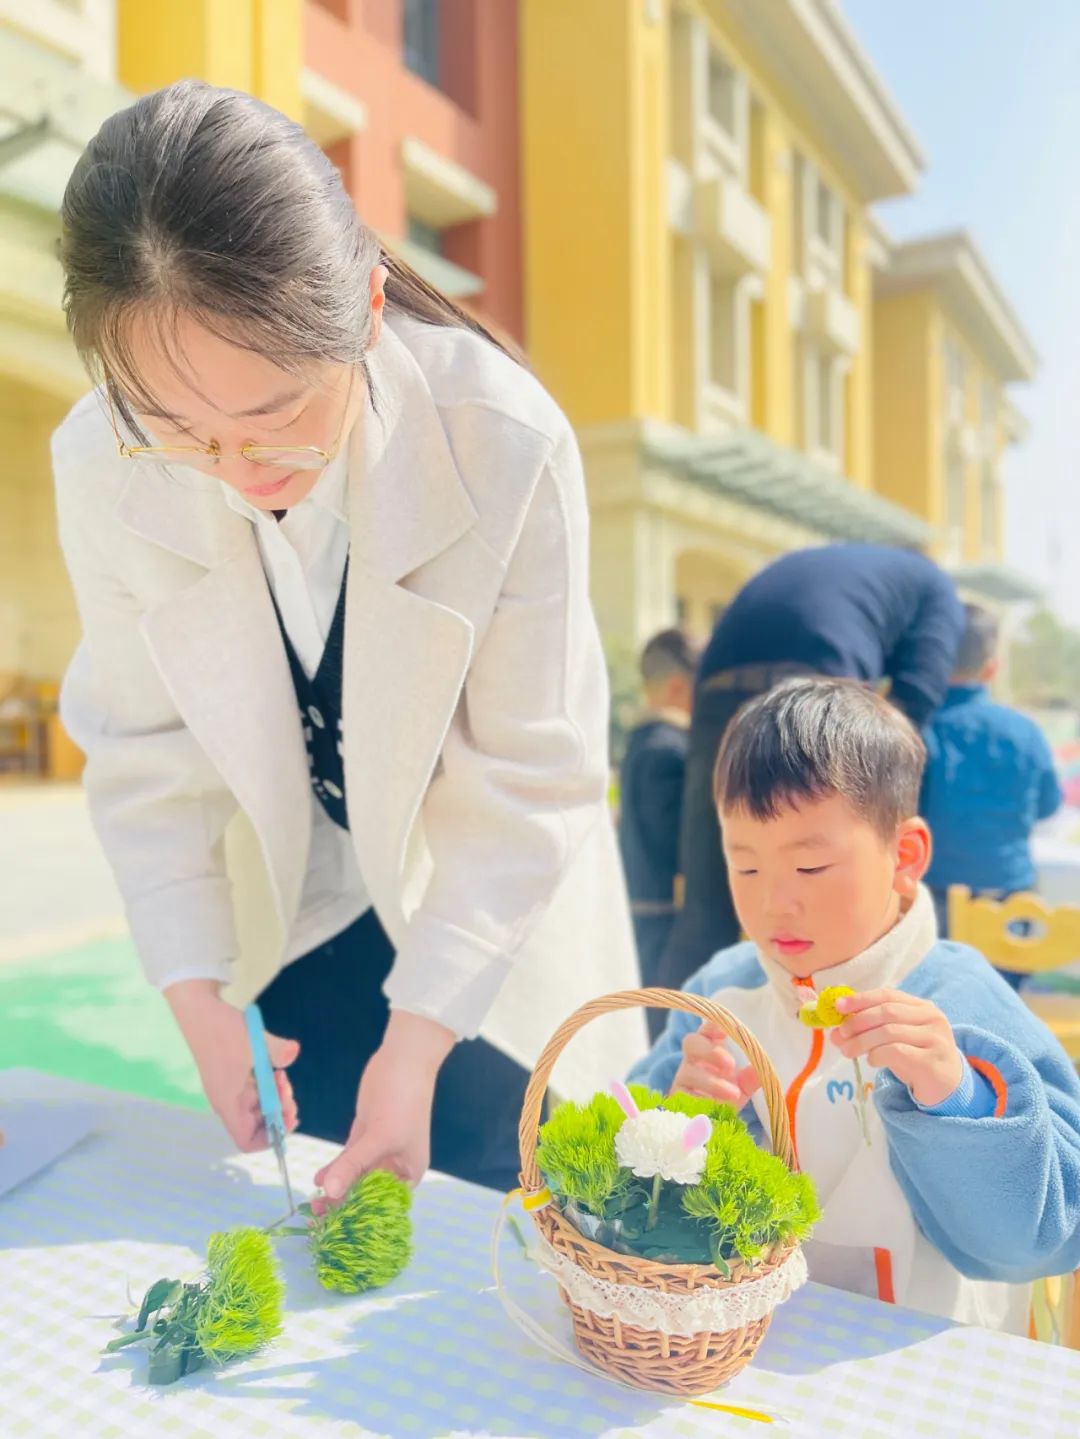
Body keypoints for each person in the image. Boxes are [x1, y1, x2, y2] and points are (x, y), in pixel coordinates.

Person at [52, 80, 643, 1202]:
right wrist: (199, 999)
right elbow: (146, 757)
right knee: (314, 1221)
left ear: (367, 309)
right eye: (177, 430)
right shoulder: (98, 458)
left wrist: (416, 1045)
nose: (237, 469)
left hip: (482, 913)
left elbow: (529, 776)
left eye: (276, 413)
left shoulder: (502, 438)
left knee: (500, 1225)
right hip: (299, 910)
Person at [632, 678, 1080, 1331]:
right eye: (746, 866)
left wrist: (958, 1099)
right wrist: (680, 1125)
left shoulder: (963, 1002)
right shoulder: (723, 996)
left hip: (926, 1359)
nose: (773, 902)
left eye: (810, 868)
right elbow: (628, 1198)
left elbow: (1044, 1239)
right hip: (749, 1346)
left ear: (904, 856)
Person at [660, 544, 965, 990]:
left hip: (715, 687)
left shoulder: (850, 566)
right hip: (814, 677)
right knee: (836, 887)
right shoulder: (939, 590)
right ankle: (849, 1031)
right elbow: (913, 702)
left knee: (707, 904)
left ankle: (674, 1047)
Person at [922, 603, 1063, 961]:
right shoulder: (1025, 731)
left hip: (935, 904)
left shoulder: (917, 728)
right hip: (1012, 900)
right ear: (992, 667)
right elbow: (1048, 807)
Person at [618, 629, 700, 1020]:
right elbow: (679, 847)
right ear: (676, 686)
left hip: (641, 916)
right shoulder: (670, 752)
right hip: (665, 922)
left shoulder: (639, 745)